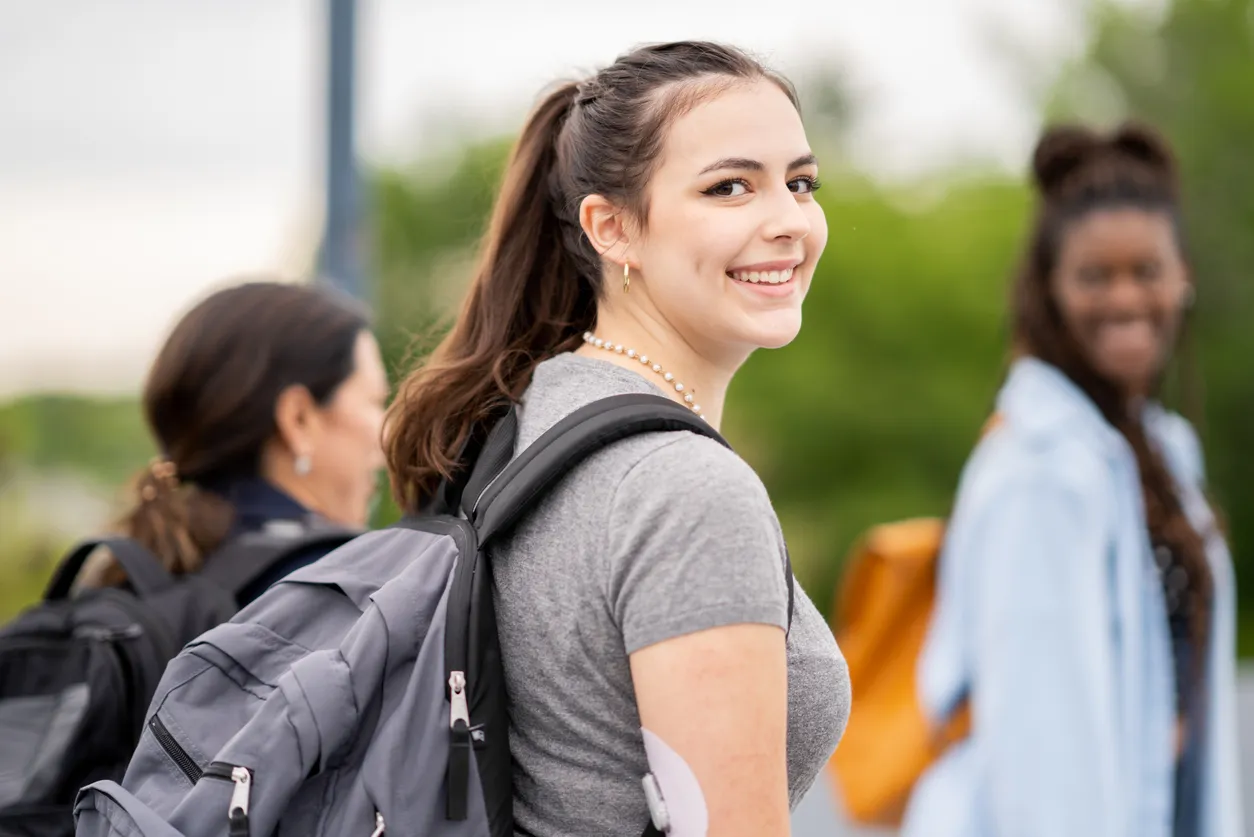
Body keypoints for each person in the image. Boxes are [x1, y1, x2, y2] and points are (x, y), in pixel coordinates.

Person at [383, 41, 850, 837]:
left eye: (799, 183)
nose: (788, 222)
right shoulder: (685, 488)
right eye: (730, 187)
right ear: (612, 228)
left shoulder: (519, 418)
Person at [902, 122, 1241, 837]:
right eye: (1095, 275)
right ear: (1049, 290)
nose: (1124, 299)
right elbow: (1041, 753)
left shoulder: (1162, 451)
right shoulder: (1040, 469)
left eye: (1146, 270)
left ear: (1183, 278)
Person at [80, 279, 388, 603]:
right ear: (298, 419)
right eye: (376, 402)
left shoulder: (117, 573)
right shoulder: (337, 587)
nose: (385, 437)